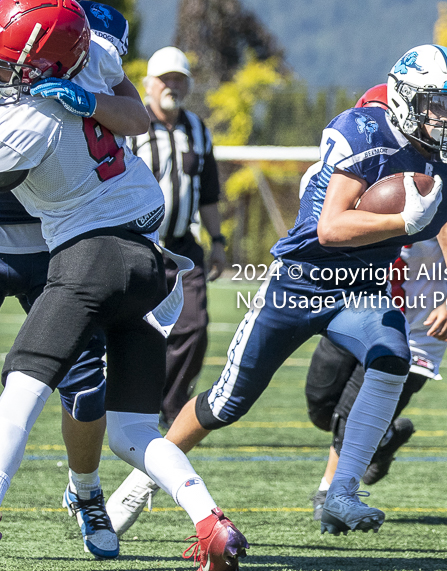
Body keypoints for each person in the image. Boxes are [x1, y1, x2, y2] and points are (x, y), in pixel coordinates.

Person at [107, 44, 447, 537]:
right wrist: (399, 220)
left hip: (365, 284)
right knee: (226, 403)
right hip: (301, 281)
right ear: (406, 100)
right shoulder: (363, 132)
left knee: (393, 356)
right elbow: (330, 228)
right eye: (439, 102)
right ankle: (140, 482)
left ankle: (343, 490)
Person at [0, 2, 248, 569]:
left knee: (22, 388)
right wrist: (89, 99)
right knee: (132, 428)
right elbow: (132, 113)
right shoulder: (95, 56)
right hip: (151, 263)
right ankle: (211, 521)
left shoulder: (27, 120)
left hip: (89, 257)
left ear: (41, 63)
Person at [305, 84, 447, 521]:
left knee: (350, 412)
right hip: (355, 304)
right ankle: (381, 438)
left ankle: (329, 492)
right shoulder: (347, 174)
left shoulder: (445, 174)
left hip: (417, 323)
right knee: (321, 406)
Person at [0, 1, 144, 558]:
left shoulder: (91, 46)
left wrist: (89, 102)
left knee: (85, 390)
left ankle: (85, 491)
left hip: (59, 245)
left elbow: (136, 119)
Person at [129, 46, 226, 429]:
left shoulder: (197, 129)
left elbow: (209, 193)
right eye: (165, 79)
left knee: (194, 328)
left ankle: (169, 410)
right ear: (148, 84)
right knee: (132, 331)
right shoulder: (130, 125)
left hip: (183, 248)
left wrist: (217, 241)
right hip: (138, 245)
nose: (172, 85)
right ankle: (130, 406)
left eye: (179, 79)